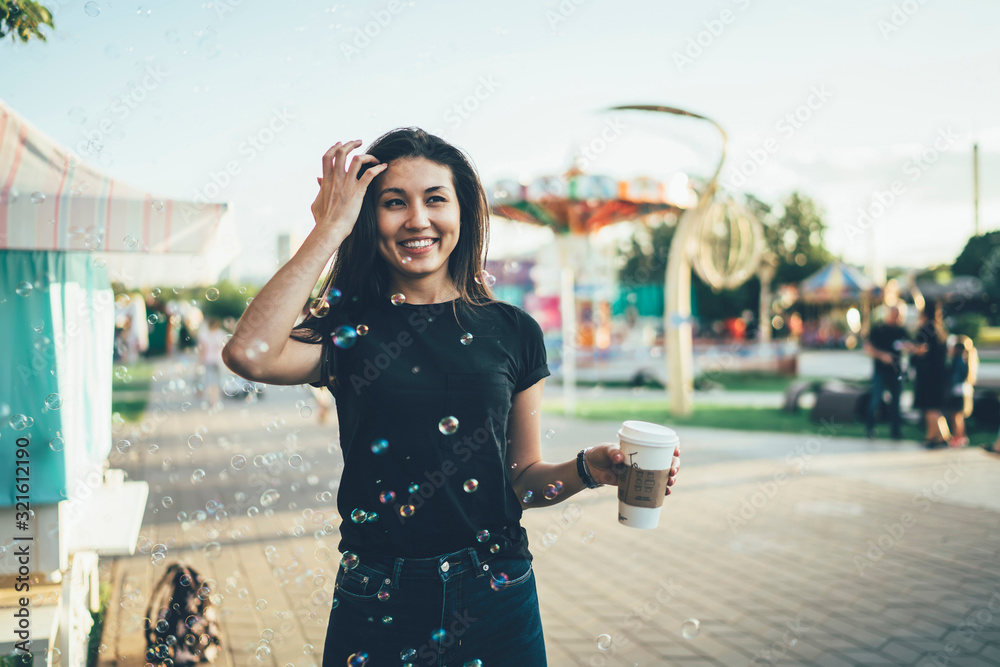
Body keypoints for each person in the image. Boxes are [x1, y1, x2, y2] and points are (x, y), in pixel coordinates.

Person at [221, 130, 682, 666]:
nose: (417, 219)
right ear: (368, 217)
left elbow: (522, 481)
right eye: (394, 203)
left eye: (435, 199)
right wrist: (329, 228)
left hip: (496, 593)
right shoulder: (349, 331)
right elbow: (249, 354)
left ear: (463, 212)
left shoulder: (513, 331)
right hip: (378, 593)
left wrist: (587, 469)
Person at [908, 300, 950, 448]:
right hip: (939, 375)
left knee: (929, 407)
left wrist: (911, 348)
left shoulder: (925, 329)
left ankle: (933, 437)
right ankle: (941, 435)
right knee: (935, 407)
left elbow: (921, 350)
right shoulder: (940, 330)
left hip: (927, 376)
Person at [862, 304, 909, 439]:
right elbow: (868, 348)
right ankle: (870, 428)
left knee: (896, 402)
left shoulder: (901, 331)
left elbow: (908, 345)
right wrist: (882, 355)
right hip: (881, 371)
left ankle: (895, 431)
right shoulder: (879, 329)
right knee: (876, 399)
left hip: (896, 371)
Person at [944, 334, 977, 448]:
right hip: (964, 390)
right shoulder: (969, 359)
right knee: (959, 416)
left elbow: (953, 374)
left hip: (957, 391)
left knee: (955, 416)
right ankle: (961, 436)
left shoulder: (958, 359)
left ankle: (958, 436)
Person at [197, 317, 227, 409]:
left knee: (210, 381)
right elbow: (224, 348)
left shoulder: (204, 335)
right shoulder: (221, 334)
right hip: (218, 360)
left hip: (208, 360)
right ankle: (216, 400)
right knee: (217, 381)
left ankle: (211, 400)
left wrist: (199, 362)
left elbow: (202, 351)